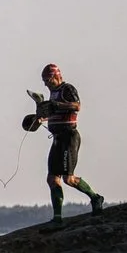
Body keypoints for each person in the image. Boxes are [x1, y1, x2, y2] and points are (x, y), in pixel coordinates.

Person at [23, 63, 105, 222]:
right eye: (44, 81)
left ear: (56, 76)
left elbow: (77, 106)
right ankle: (57, 218)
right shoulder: (52, 94)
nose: (46, 84)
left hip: (69, 137)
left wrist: (58, 104)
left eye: (47, 80)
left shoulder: (67, 89)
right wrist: (39, 119)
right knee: (52, 178)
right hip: (57, 139)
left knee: (69, 178)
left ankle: (95, 197)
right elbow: (53, 113)